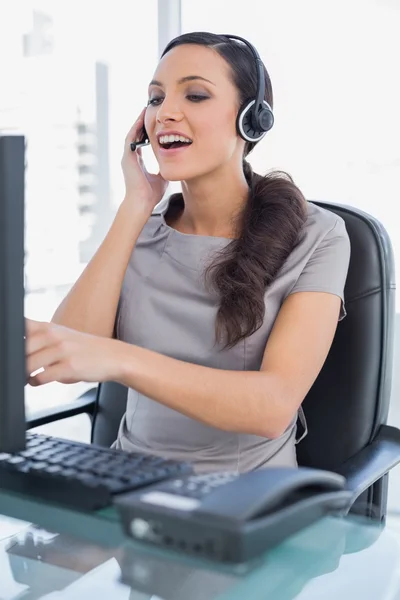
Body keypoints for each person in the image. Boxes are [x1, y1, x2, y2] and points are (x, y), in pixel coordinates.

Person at [25, 32, 351, 473]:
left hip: (246, 502)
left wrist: (124, 360)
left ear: (252, 120)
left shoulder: (319, 236)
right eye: (155, 99)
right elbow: (71, 354)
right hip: (127, 485)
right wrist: (136, 204)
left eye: (195, 95)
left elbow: (272, 408)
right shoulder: (139, 230)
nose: (166, 114)